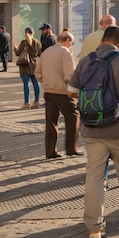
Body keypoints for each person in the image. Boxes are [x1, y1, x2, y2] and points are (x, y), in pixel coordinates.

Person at [68, 26, 119, 238]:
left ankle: (94, 227)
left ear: (102, 40)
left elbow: (71, 92)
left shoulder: (86, 61)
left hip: (91, 128)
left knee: (94, 176)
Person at [35, 30, 81, 159]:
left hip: (48, 91)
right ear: (67, 41)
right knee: (73, 117)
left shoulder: (47, 51)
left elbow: (37, 72)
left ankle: (50, 151)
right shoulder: (65, 52)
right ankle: (71, 148)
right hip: (62, 91)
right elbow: (70, 75)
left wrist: (46, 82)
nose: (72, 45)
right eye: (72, 43)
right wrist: (74, 89)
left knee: (51, 121)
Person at [15, 27, 43, 109]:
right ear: (33, 33)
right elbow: (40, 54)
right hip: (35, 64)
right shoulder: (37, 42)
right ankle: (36, 102)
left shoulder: (24, 42)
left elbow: (17, 53)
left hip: (25, 65)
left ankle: (26, 103)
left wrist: (15, 47)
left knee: (26, 84)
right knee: (36, 83)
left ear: (25, 33)